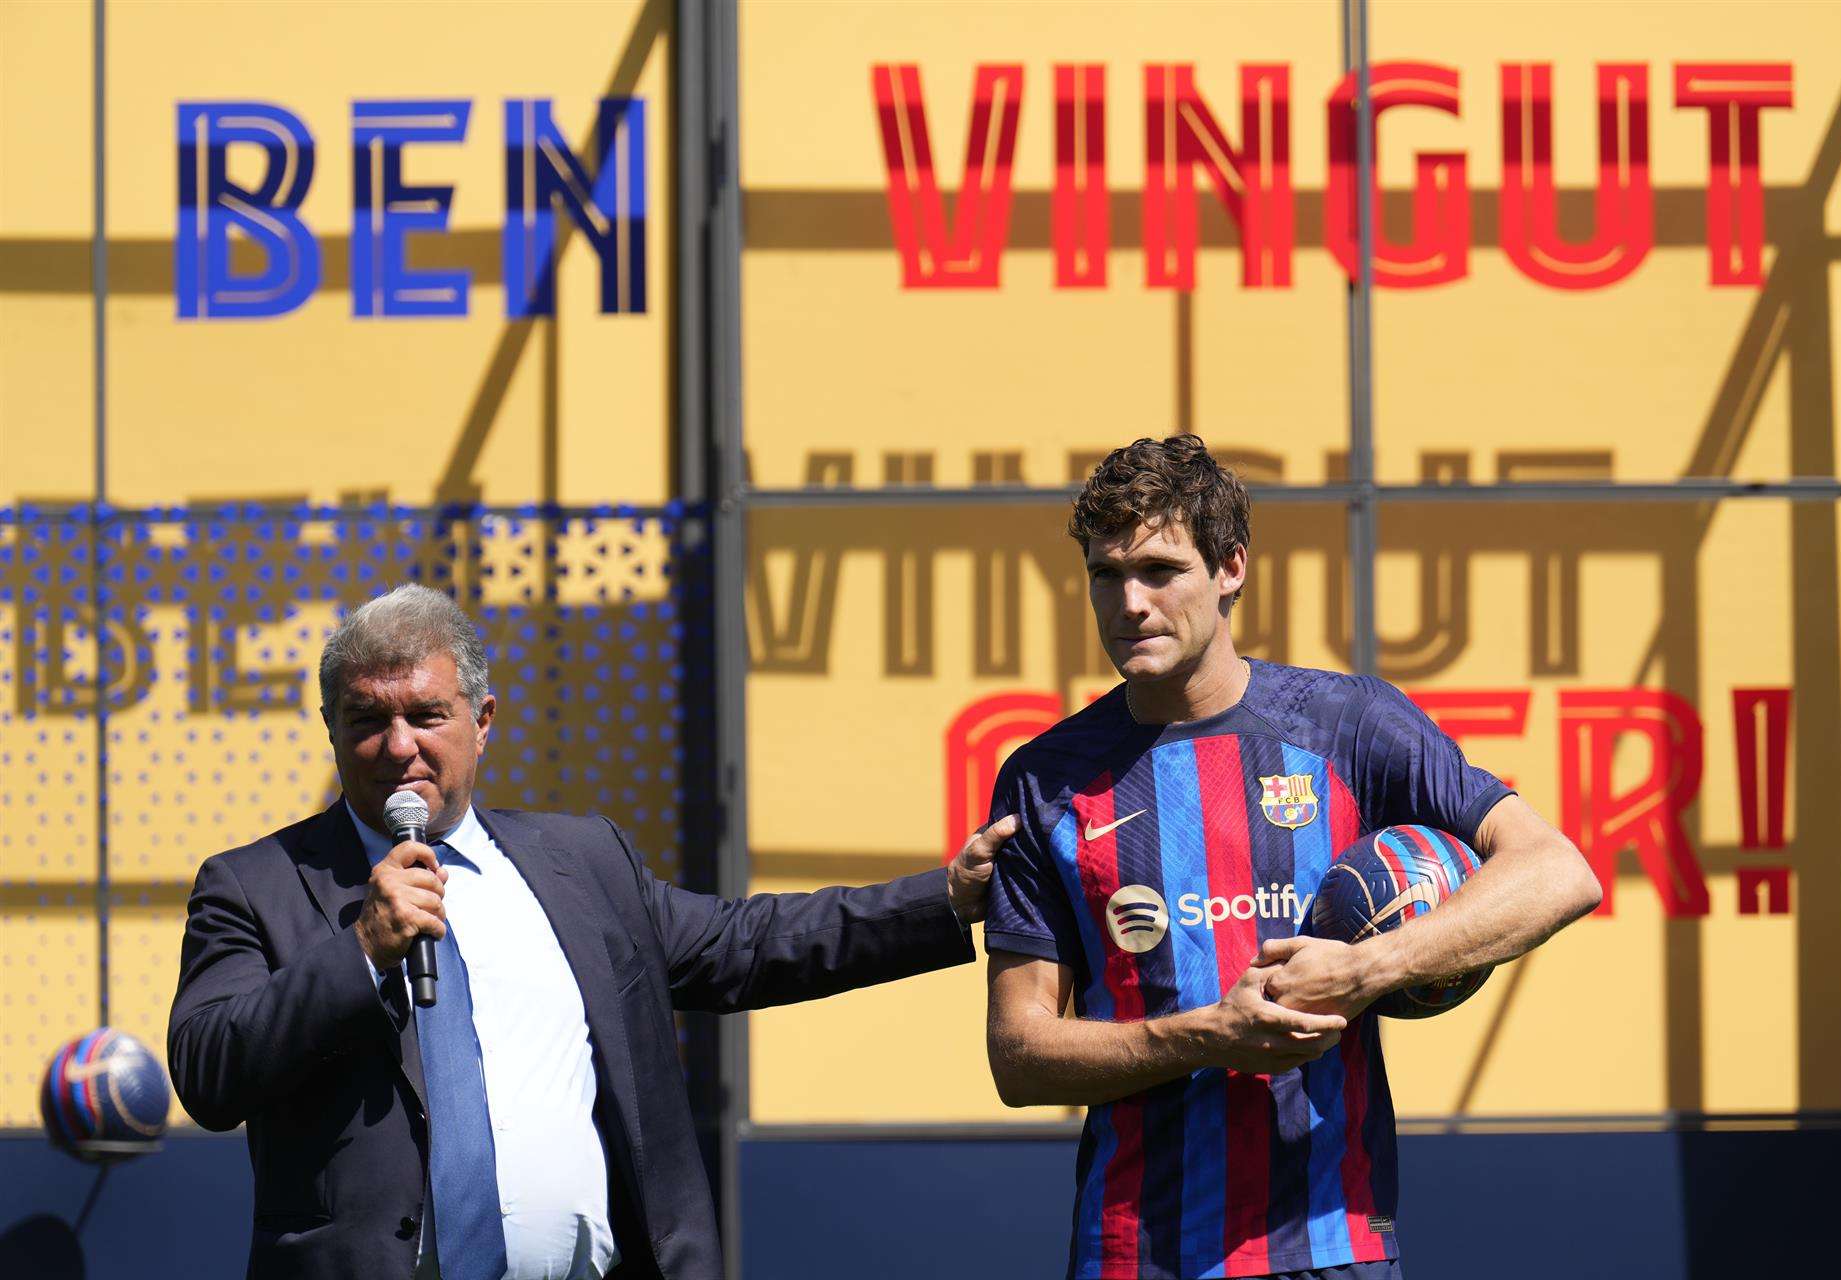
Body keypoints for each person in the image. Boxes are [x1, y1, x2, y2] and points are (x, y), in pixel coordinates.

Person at [168, 584, 1015, 1280]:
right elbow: (209, 1068)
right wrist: (359, 952)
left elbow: (747, 945)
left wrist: (945, 898)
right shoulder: (257, 884)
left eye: (427, 715)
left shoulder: (581, 861)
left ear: (483, 719)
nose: (397, 748)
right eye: (365, 721)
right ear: (330, 730)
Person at [983, 436, 1601, 1280]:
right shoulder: (1045, 779)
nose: (1129, 602)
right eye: (1105, 574)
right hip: (1134, 1254)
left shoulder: (1348, 724)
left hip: (1328, 1247)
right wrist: (1208, 1036)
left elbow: (1558, 872)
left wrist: (1367, 970)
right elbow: (1020, 1057)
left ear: (1231, 567)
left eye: (1160, 571)